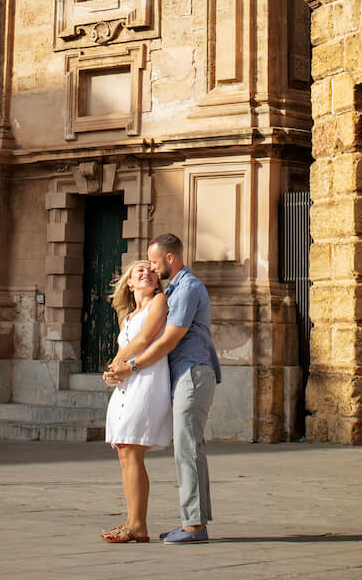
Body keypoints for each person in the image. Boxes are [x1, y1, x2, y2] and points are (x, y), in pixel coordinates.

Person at [104, 233, 221, 544]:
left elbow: (168, 340)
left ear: (169, 258)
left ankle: (194, 527)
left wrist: (130, 367)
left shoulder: (187, 288)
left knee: (187, 448)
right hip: (180, 374)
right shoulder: (175, 290)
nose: (152, 269)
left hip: (192, 372)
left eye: (154, 263)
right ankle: (193, 522)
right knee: (187, 447)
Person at [101, 259, 171, 544]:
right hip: (127, 385)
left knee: (132, 449)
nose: (147, 273)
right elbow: (130, 343)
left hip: (148, 380)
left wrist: (115, 364)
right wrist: (113, 373)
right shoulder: (128, 316)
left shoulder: (159, 301)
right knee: (124, 451)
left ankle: (138, 525)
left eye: (151, 271)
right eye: (139, 270)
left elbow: (145, 339)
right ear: (129, 283)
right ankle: (132, 521)